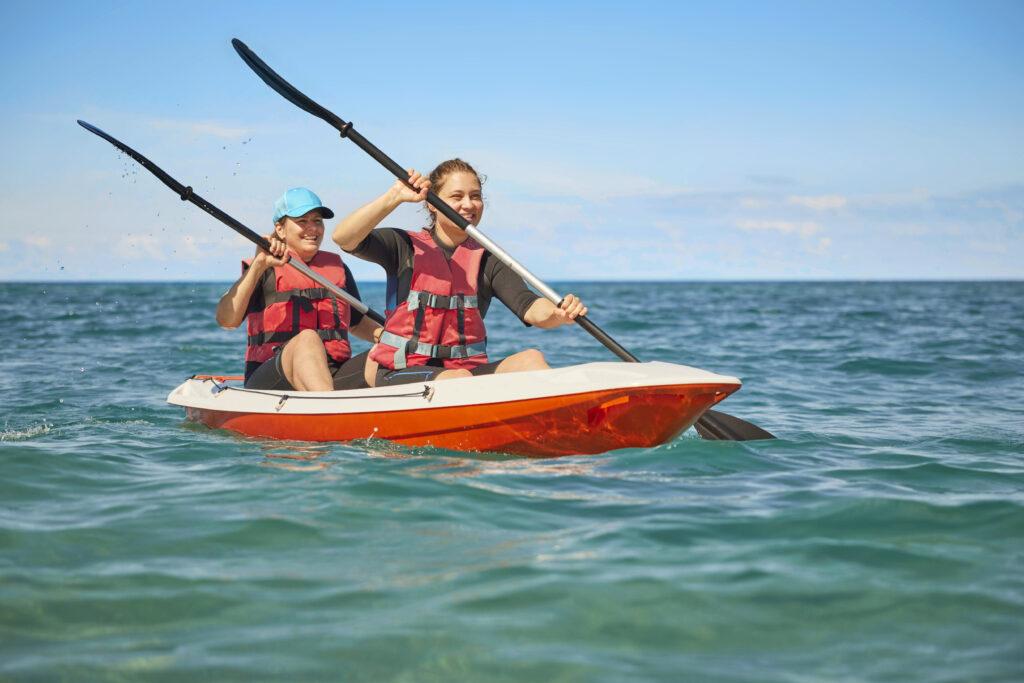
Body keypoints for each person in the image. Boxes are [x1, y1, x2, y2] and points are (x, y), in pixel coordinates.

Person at [332, 158, 587, 387]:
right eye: (457, 196)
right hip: (399, 370)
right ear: (432, 204)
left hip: (462, 373)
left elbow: (529, 306)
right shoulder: (404, 246)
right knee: (459, 380)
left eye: (475, 196)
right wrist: (395, 196)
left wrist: (558, 313)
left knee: (531, 359)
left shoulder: (487, 259)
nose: (469, 204)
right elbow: (344, 237)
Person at [216, 187, 382, 391]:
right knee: (308, 338)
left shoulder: (337, 268)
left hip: (332, 373)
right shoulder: (264, 267)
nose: (312, 228)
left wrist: (389, 338)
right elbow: (227, 320)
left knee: (385, 352)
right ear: (280, 229)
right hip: (273, 376)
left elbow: (356, 323)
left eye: (317, 221)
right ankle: (332, 413)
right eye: (302, 221)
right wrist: (258, 266)